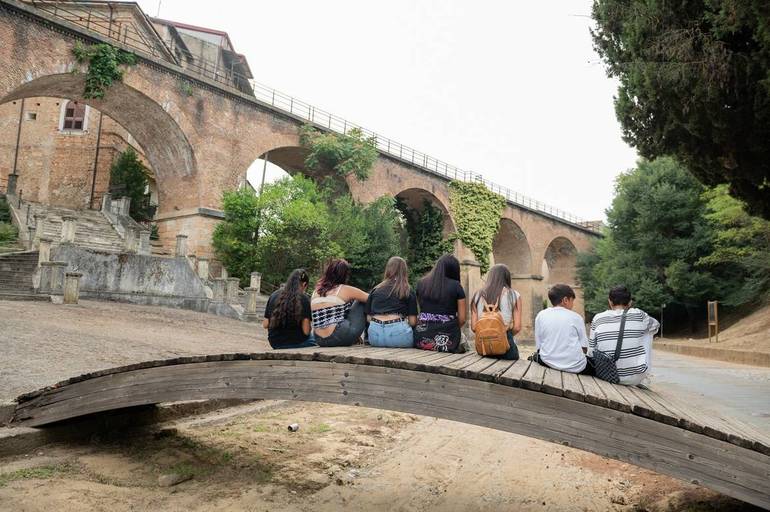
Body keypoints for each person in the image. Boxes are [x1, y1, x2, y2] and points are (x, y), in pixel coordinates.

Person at [588, 285, 660, 386]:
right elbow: (656, 326)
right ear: (630, 302)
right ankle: (639, 367)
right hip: (635, 377)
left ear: (610, 302)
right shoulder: (639, 314)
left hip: (606, 374)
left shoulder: (598, 318)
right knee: (648, 330)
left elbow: (591, 351)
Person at [532, 284, 593, 374]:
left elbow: (539, 346)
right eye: (572, 301)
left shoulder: (541, 315)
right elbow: (584, 348)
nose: (572, 305)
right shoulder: (576, 317)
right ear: (565, 300)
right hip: (575, 367)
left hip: (547, 362)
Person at [414, 254, 467, 352]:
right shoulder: (456, 286)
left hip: (421, 339)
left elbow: (420, 310)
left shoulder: (421, 283)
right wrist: (450, 327)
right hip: (447, 340)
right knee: (465, 345)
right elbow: (462, 319)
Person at [311, 259, 369, 347]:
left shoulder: (315, 292)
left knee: (339, 312)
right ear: (344, 274)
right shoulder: (344, 289)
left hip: (319, 339)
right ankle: (368, 338)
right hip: (340, 336)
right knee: (361, 301)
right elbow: (372, 298)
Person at [470, 264, 521, 360]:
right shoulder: (514, 295)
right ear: (507, 278)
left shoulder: (477, 295)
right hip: (506, 348)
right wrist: (501, 334)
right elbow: (517, 327)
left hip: (483, 349)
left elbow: (474, 327)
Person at [365, 256, 418, 348]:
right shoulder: (407, 290)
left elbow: (368, 318)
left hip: (375, 338)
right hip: (398, 336)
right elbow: (413, 322)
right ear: (404, 271)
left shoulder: (375, 290)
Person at [262, 269, 316, 349]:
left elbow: (265, 324)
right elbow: (306, 331)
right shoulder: (304, 299)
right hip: (297, 342)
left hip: (275, 343)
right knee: (319, 340)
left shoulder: (274, 295)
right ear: (304, 284)